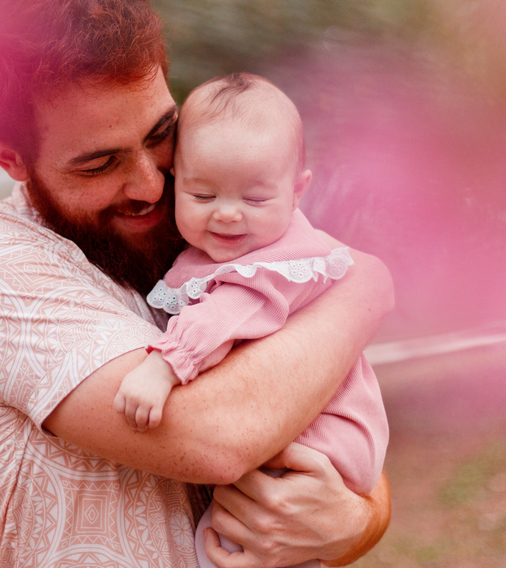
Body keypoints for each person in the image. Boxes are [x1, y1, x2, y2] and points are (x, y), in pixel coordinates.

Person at [0, 0, 394, 568]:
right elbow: (218, 436)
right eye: (99, 163)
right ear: (9, 158)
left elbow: (323, 400)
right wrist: (366, 286)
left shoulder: (205, 218)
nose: (150, 185)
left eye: (159, 135)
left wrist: (361, 518)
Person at [113, 73, 389, 568]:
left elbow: (231, 315)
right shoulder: (224, 249)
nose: (228, 215)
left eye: (255, 199)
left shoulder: (277, 264)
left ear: (298, 190)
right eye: (202, 196)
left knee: (249, 537)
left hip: (322, 439)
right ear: (175, 179)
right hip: (303, 432)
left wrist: (165, 366)